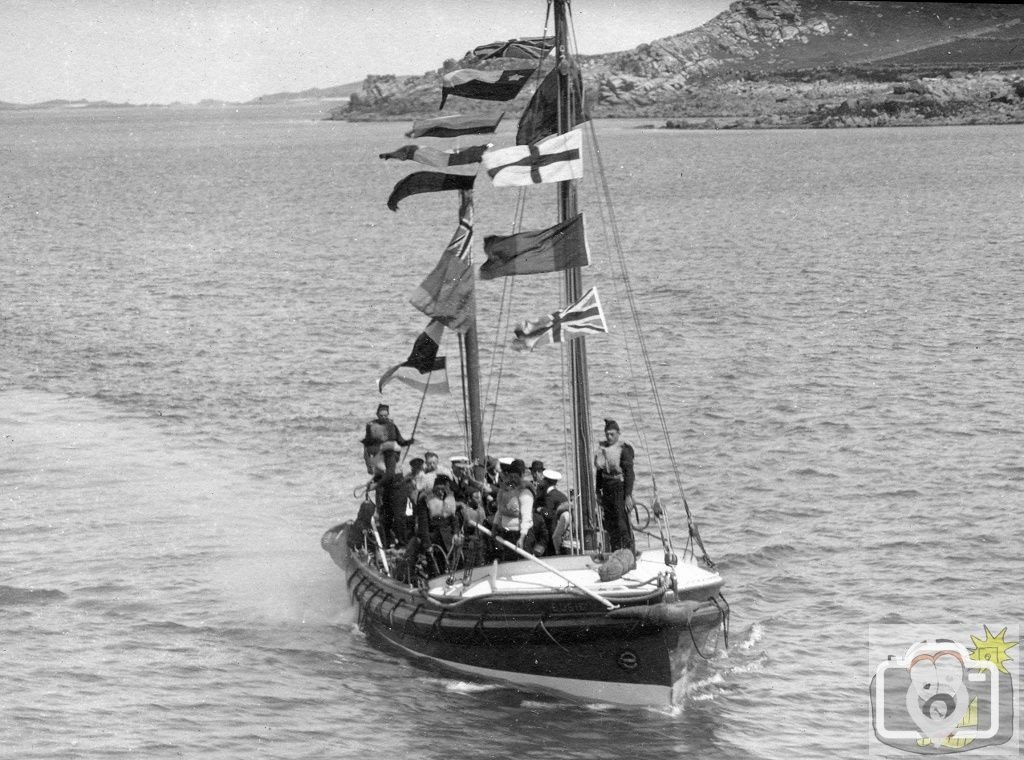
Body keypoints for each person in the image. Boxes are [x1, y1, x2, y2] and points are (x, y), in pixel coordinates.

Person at [594, 418, 635, 552]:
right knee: (609, 522)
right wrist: (598, 492)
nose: (609, 437)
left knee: (620, 521)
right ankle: (615, 549)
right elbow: (599, 472)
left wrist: (628, 495)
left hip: (619, 487)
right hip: (607, 488)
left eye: (612, 434)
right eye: (607, 434)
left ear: (618, 433)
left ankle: (628, 549)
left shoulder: (624, 449)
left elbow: (629, 473)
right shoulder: (603, 449)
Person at [491, 459, 533, 562]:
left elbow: (526, 516)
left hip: (521, 534)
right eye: (511, 475)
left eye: (515, 476)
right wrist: (494, 526)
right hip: (507, 534)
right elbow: (499, 511)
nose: (513, 478)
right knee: (508, 560)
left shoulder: (525, 493)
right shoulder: (504, 492)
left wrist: (522, 537)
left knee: (522, 562)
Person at [373, 441, 410, 547]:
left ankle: (402, 543)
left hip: (398, 487)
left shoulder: (392, 457)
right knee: (385, 517)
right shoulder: (379, 459)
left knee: (399, 517)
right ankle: (387, 543)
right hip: (386, 488)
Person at [360, 403, 413, 474]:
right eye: (381, 416)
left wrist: (409, 442)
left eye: (385, 416)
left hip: (391, 456)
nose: (383, 417)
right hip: (378, 456)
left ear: (388, 415)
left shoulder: (392, 425)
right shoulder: (371, 426)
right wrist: (368, 465)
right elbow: (366, 446)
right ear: (377, 415)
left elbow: (400, 441)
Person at [525, 469, 568, 557]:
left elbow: (549, 515)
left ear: (546, 482)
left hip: (552, 530)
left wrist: (540, 510)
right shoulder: (561, 495)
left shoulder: (550, 497)